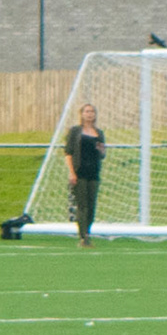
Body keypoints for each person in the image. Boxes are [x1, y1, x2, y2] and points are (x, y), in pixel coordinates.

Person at [64, 102, 106, 247]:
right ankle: (84, 237)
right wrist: (72, 173)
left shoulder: (99, 133)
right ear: (82, 114)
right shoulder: (75, 131)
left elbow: (102, 154)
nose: (89, 114)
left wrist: (102, 150)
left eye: (92, 111)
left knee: (91, 206)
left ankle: (87, 231)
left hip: (93, 173)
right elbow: (68, 153)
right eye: (87, 111)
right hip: (79, 172)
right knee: (82, 206)